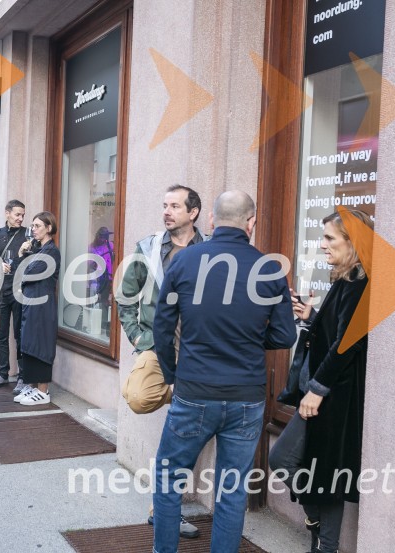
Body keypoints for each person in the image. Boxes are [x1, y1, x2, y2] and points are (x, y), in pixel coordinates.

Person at [151, 191, 296, 553]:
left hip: (194, 390)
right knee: (232, 491)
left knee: (168, 480)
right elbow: (284, 335)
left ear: (212, 221)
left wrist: (172, 375)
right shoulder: (270, 269)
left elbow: (162, 329)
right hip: (246, 398)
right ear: (252, 223)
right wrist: (246, 338)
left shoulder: (183, 262)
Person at [268, 209, 373, 553]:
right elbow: (337, 335)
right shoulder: (347, 279)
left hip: (334, 397)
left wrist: (316, 390)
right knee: (301, 467)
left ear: (352, 241)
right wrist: (311, 318)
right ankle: (317, 534)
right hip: (324, 393)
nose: (323, 244)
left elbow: (347, 344)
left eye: (330, 238)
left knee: (323, 475)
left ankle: (323, 544)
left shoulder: (360, 282)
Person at [115, 184, 204, 539]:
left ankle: (164, 508)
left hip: (198, 351)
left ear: (193, 212)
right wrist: (139, 336)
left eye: (175, 206)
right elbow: (125, 295)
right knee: (137, 396)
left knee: (183, 433)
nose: (166, 211)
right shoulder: (149, 247)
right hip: (158, 344)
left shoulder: (209, 248)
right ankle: (181, 395)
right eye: (164, 205)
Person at [13, 212, 61, 406]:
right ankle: (33, 387)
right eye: (32, 225)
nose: (33, 229)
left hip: (42, 305)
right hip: (32, 302)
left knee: (41, 344)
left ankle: (43, 391)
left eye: (38, 225)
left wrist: (22, 257)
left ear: (49, 228)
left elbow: (29, 273)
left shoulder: (51, 251)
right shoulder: (39, 250)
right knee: (30, 343)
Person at [0, 199, 28, 391]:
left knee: (19, 334)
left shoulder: (27, 234)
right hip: (1, 291)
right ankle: (3, 374)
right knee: (1, 334)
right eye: (17, 214)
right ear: (7, 213)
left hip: (19, 291)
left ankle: (22, 376)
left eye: (22, 215)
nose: (20, 218)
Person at [88, 226, 114, 334]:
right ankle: (91, 323)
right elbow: (89, 263)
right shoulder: (91, 247)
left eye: (105, 237)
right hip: (96, 277)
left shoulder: (110, 245)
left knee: (104, 301)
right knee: (93, 299)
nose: (104, 239)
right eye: (102, 237)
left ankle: (103, 323)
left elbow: (113, 260)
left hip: (107, 277)